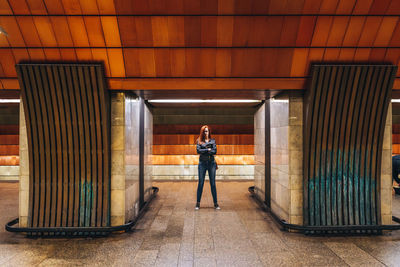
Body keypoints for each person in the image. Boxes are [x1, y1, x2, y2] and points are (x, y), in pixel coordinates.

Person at [195, 125, 220, 210]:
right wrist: (208, 149)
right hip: (202, 164)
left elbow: (215, 151)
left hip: (211, 163)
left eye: (207, 131)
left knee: (212, 184)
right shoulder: (199, 140)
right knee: (201, 183)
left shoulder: (213, 141)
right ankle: (198, 203)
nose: (206, 132)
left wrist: (204, 149)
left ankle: (216, 203)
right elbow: (198, 151)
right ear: (202, 132)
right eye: (205, 131)